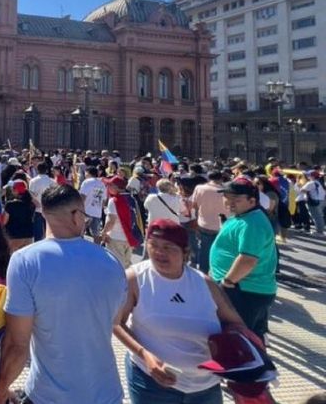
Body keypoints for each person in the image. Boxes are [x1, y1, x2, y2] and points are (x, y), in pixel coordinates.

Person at [0, 185, 127, 404]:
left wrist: (0, 389)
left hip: (48, 395)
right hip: (106, 392)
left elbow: (17, 345)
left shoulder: (25, 261)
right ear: (76, 216)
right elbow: (115, 320)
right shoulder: (111, 261)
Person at [113, 219, 247, 404]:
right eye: (153, 245)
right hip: (152, 383)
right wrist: (144, 355)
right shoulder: (135, 278)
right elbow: (116, 322)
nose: (159, 253)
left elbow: (237, 324)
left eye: (168, 247)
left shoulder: (205, 284)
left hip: (205, 386)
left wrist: (232, 355)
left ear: (185, 252)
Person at [210, 178, 278, 340]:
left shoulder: (252, 223)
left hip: (244, 290)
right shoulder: (243, 216)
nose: (229, 202)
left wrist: (227, 282)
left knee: (240, 340)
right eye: (227, 197)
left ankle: (249, 364)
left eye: (236, 199)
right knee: (247, 338)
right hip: (242, 288)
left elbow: (247, 260)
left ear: (252, 200)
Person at [101, 176, 144, 269]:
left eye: (109, 185)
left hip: (116, 237)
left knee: (117, 265)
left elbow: (111, 220)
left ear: (115, 187)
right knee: (127, 263)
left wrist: (104, 233)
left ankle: (120, 282)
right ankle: (129, 281)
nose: (107, 187)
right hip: (129, 237)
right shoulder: (132, 199)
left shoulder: (114, 200)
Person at [190, 171, 229, 274]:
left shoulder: (199, 188)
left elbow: (194, 205)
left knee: (204, 250)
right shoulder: (225, 191)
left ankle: (203, 273)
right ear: (220, 179)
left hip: (203, 223)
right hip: (221, 225)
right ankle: (217, 273)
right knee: (220, 250)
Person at [3, 180, 35, 253]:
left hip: (14, 236)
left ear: (15, 190)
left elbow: (4, 221)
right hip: (29, 236)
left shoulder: (10, 205)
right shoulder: (31, 204)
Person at [28, 162, 56, 242]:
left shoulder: (33, 181)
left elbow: (31, 195)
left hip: (37, 209)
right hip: (49, 208)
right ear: (47, 170)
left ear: (37, 169)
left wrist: (37, 203)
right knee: (50, 231)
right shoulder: (52, 181)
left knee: (38, 233)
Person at [79, 166, 107, 239]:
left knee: (80, 232)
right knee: (96, 235)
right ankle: (97, 249)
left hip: (86, 211)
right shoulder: (102, 184)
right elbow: (104, 200)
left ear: (88, 173)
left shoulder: (86, 182)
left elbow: (82, 197)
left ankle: (80, 248)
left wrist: (79, 208)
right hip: (97, 212)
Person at [301, 170, 324, 235]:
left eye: (309, 175)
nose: (307, 176)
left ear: (312, 176)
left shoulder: (311, 183)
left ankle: (319, 231)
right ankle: (320, 230)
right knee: (319, 216)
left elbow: (302, 190)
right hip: (321, 200)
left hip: (314, 201)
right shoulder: (319, 182)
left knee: (316, 216)